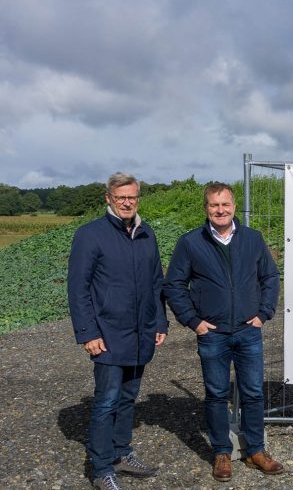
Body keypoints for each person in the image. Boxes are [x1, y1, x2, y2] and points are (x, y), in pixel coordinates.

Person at [162, 182, 284, 482]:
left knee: (254, 393)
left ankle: (256, 450)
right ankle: (221, 452)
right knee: (216, 395)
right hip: (212, 334)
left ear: (233, 207)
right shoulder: (191, 243)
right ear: (206, 208)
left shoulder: (253, 239)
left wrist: (264, 313)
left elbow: (269, 276)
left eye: (225, 204)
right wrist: (193, 321)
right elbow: (174, 285)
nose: (220, 210)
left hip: (247, 331)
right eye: (214, 205)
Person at [68, 173, 167, 490]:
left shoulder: (146, 234)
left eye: (132, 197)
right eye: (121, 196)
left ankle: (121, 453)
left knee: (128, 399)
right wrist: (87, 332)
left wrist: (160, 322)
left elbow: (155, 284)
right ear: (108, 198)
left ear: (138, 198)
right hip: (108, 335)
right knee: (107, 401)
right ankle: (100, 468)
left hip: (140, 333)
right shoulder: (90, 235)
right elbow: (78, 288)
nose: (127, 202)